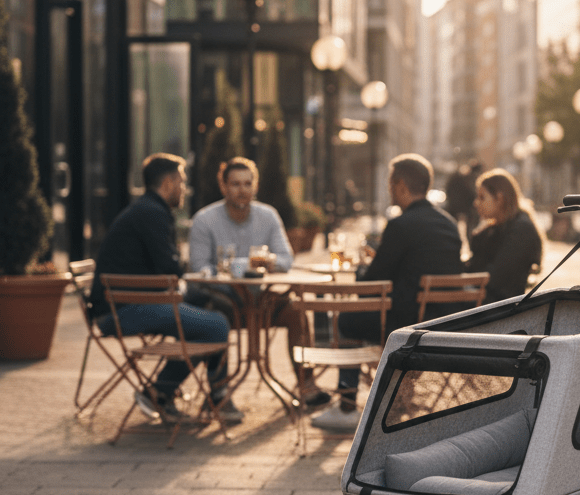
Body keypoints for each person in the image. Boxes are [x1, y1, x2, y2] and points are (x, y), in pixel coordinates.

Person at [312, 153, 464, 431]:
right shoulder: (449, 224)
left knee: (345, 319)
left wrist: (361, 270)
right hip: (445, 325)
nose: (388, 189)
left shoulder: (400, 224)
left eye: (390, 184)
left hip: (404, 325)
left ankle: (347, 405)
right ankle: (401, 392)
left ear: (402, 186)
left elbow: (373, 281)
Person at [88, 153, 233, 422]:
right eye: (182, 182)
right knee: (217, 324)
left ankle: (170, 393)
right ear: (169, 182)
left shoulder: (147, 209)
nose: (185, 189)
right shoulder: (152, 213)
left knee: (206, 312)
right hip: (121, 311)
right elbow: (171, 268)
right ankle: (176, 394)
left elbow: (168, 270)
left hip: (125, 303)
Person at [188, 157, 331, 408]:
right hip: (222, 300)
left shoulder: (268, 216)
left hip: (261, 301)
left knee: (296, 312)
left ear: (255, 186)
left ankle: (306, 386)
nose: (242, 190)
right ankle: (219, 393)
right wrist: (236, 268)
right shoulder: (204, 219)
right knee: (214, 317)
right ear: (223, 187)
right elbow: (199, 268)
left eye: (247, 183)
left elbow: (286, 259)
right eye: (235, 184)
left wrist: (269, 260)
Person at [466, 169, 543, 304]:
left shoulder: (521, 230)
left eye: (482, 197)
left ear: (500, 198)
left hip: (499, 311)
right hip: (488, 303)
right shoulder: (498, 227)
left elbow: (495, 277)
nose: (476, 203)